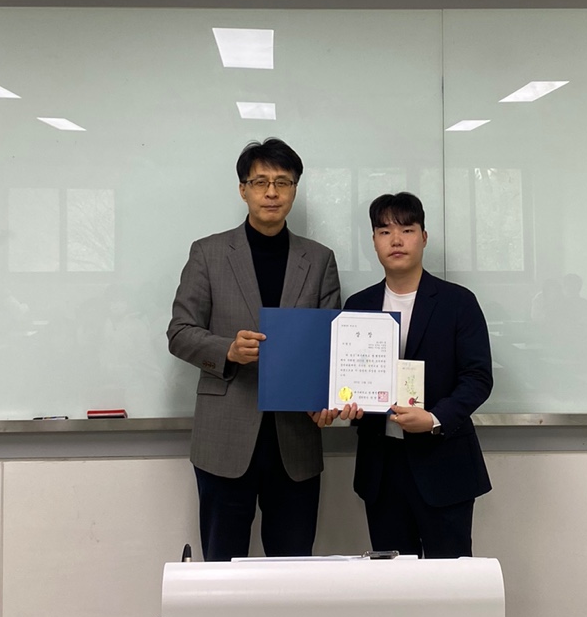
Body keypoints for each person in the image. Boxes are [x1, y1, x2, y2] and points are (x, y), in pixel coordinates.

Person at [168, 138, 341, 561]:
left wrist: (329, 397)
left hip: (295, 438)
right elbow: (180, 332)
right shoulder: (208, 253)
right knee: (221, 566)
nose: (271, 192)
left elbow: (332, 344)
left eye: (283, 182)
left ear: (294, 190)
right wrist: (227, 349)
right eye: (260, 181)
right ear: (243, 189)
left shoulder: (319, 259)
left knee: (293, 566)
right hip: (224, 438)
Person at [317, 191, 492, 558]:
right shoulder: (358, 306)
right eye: (384, 232)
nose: (396, 240)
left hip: (444, 463)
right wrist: (344, 404)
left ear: (424, 237)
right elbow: (347, 378)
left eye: (407, 230)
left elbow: (477, 378)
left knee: (449, 579)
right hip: (381, 468)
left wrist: (434, 418)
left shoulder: (458, 302)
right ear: (373, 241)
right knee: (392, 580)